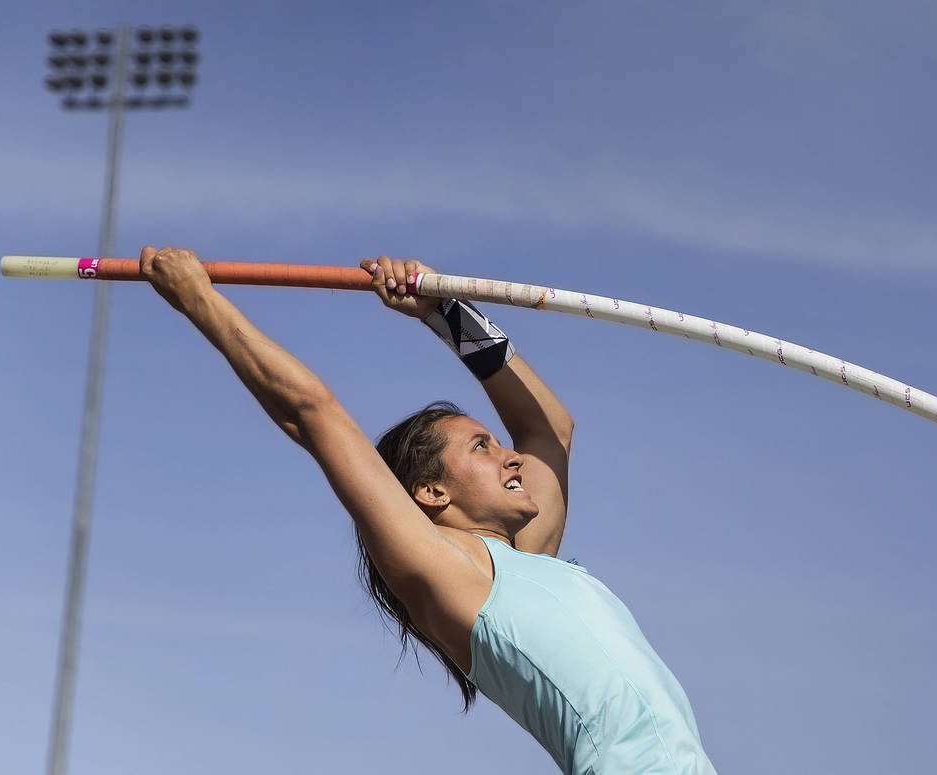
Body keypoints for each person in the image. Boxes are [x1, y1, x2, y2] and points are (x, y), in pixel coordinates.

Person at [140, 245, 718, 775]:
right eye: (481, 447)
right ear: (430, 493)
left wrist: (446, 314)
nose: (512, 458)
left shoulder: (525, 560)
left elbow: (550, 431)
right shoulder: (452, 574)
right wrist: (198, 298)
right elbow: (312, 413)